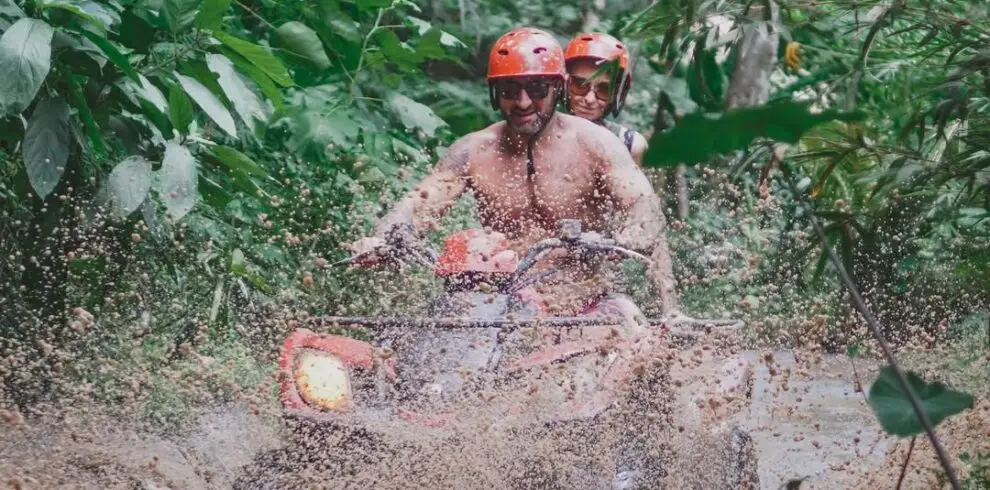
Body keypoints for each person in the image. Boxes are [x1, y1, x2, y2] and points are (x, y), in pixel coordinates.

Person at [348, 27, 678, 317]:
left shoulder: (598, 143)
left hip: (584, 308)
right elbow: (416, 206)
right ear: (495, 94)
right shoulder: (473, 150)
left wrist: (627, 236)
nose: (522, 103)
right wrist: (381, 239)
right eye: (509, 91)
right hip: (496, 309)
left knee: (626, 325)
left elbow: (643, 206)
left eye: (536, 89)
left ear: (556, 89)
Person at [564, 33, 649, 166]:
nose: (590, 99)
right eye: (580, 85)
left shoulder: (630, 144)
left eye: (604, 90)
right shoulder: (541, 136)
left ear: (617, 95)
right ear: (565, 84)